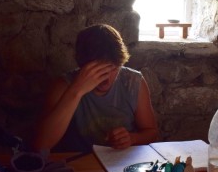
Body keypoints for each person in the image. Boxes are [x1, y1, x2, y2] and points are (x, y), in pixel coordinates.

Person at [34, 24, 159, 152]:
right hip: (79, 164)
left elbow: (152, 132)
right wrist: (76, 90)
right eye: (98, 71)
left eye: (112, 68)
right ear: (83, 66)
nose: (106, 79)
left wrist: (132, 138)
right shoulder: (64, 86)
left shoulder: (133, 82)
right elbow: (40, 144)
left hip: (120, 163)